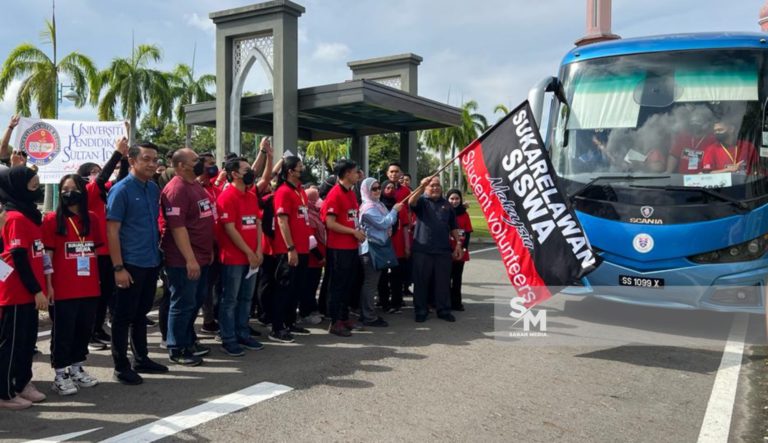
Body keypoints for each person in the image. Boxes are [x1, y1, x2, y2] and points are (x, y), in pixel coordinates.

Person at [107, 142, 169, 385]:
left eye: (155, 159)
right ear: (132, 161)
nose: (153, 164)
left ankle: (141, 358)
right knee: (123, 316)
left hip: (151, 260)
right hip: (129, 263)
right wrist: (118, 268)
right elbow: (112, 231)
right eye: (147, 159)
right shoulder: (120, 190)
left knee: (141, 313)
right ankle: (121, 366)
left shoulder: (153, 189)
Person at [42, 174, 102, 395]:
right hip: (62, 287)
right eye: (64, 189)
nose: (69, 193)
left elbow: (94, 250)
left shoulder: (92, 219)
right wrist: (48, 285)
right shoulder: (51, 220)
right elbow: (47, 255)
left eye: (73, 188)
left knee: (83, 329)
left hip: (88, 286)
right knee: (63, 332)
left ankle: (77, 368)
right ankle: (60, 374)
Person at [161, 149, 215, 366]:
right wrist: (190, 259)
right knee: (183, 302)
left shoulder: (195, 185)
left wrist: (206, 251)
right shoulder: (176, 189)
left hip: (201, 256)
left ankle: (189, 339)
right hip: (183, 260)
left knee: (195, 300)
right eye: (195, 161)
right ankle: (177, 347)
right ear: (181, 166)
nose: (201, 163)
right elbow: (178, 228)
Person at [0, 166, 48, 409]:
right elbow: (18, 257)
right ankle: (4, 393)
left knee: (26, 341)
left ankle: (21, 383)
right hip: (17, 291)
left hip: (28, 291)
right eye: (32, 184)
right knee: (12, 342)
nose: (36, 188)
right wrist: (36, 290)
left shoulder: (28, 214)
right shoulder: (16, 217)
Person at [77, 136, 130, 351]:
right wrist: (117, 153)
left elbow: (121, 180)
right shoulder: (87, 191)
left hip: (111, 250)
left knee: (107, 294)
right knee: (95, 295)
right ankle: (89, 333)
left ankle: (98, 329)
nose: (99, 175)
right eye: (94, 171)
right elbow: (101, 180)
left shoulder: (106, 192)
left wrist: (125, 159)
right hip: (96, 252)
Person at [216, 157, 264, 356]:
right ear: (234, 174)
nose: (250, 172)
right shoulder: (227, 197)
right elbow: (230, 229)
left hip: (252, 258)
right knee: (230, 300)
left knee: (246, 298)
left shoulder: (251, 196)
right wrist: (249, 252)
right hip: (234, 258)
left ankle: (243, 333)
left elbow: (257, 223)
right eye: (246, 169)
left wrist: (259, 250)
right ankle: (228, 338)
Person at [408, 176, 463, 323]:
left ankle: (444, 310)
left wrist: (458, 244)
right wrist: (420, 186)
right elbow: (410, 202)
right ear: (426, 188)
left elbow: (453, 227)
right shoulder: (421, 201)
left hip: (443, 251)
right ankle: (420, 310)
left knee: (443, 283)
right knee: (421, 283)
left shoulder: (447, 205)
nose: (435, 188)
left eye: (437, 185)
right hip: (422, 250)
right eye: (431, 185)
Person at [270, 156, 313, 342]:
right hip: (288, 249)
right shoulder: (283, 191)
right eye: (300, 167)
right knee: (283, 288)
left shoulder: (300, 191)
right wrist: (290, 247)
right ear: (290, 171)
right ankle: (277, 328)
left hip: (303, 248)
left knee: (296, 287)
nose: (303, 169)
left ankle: (290, 322)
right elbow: (282, 220)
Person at [321, 160, 366, 337]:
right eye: (356, 172)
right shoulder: (335, 194)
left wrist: (356, 232)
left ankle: (344, 317)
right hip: (338, 248)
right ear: (347, 173)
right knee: (337, 286)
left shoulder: (351, 193)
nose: (358, 174)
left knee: (348, 284)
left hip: (350, 247)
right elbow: (330, 223)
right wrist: (352, 232)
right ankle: (334, 321)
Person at [358, 177, 402, 327]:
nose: (377, 191)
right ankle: (368, 316)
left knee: (373, 283)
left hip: (378, 246)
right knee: (371, 284)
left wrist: (393, 213)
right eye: (374, 189)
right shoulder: (368, 208)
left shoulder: (378, 205)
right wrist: (395, 211)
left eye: (378, 188)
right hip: (370, 249)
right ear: (366, 191)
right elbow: (384, 223)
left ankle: (368, 313)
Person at [197, 152, 223, 335]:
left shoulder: (214, 188)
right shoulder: (196, 188)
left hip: (216, 243)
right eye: (210, 163)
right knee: (202, 287)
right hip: (201, 246)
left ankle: (210, 318)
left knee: (212, 284)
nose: (214, 166)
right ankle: (206, 319)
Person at [446, 189, 472, 311]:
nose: (454, 201)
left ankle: (456, 303)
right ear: (447, 199)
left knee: (457, 278)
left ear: (461, 200)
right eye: (451, 199)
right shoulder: (444, 212)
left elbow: (467, 233)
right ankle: (445, 302)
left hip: (460, 251)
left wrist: (463, 249)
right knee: (445, 278)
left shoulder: (464, 214)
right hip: (446, 251)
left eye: (457, 199)